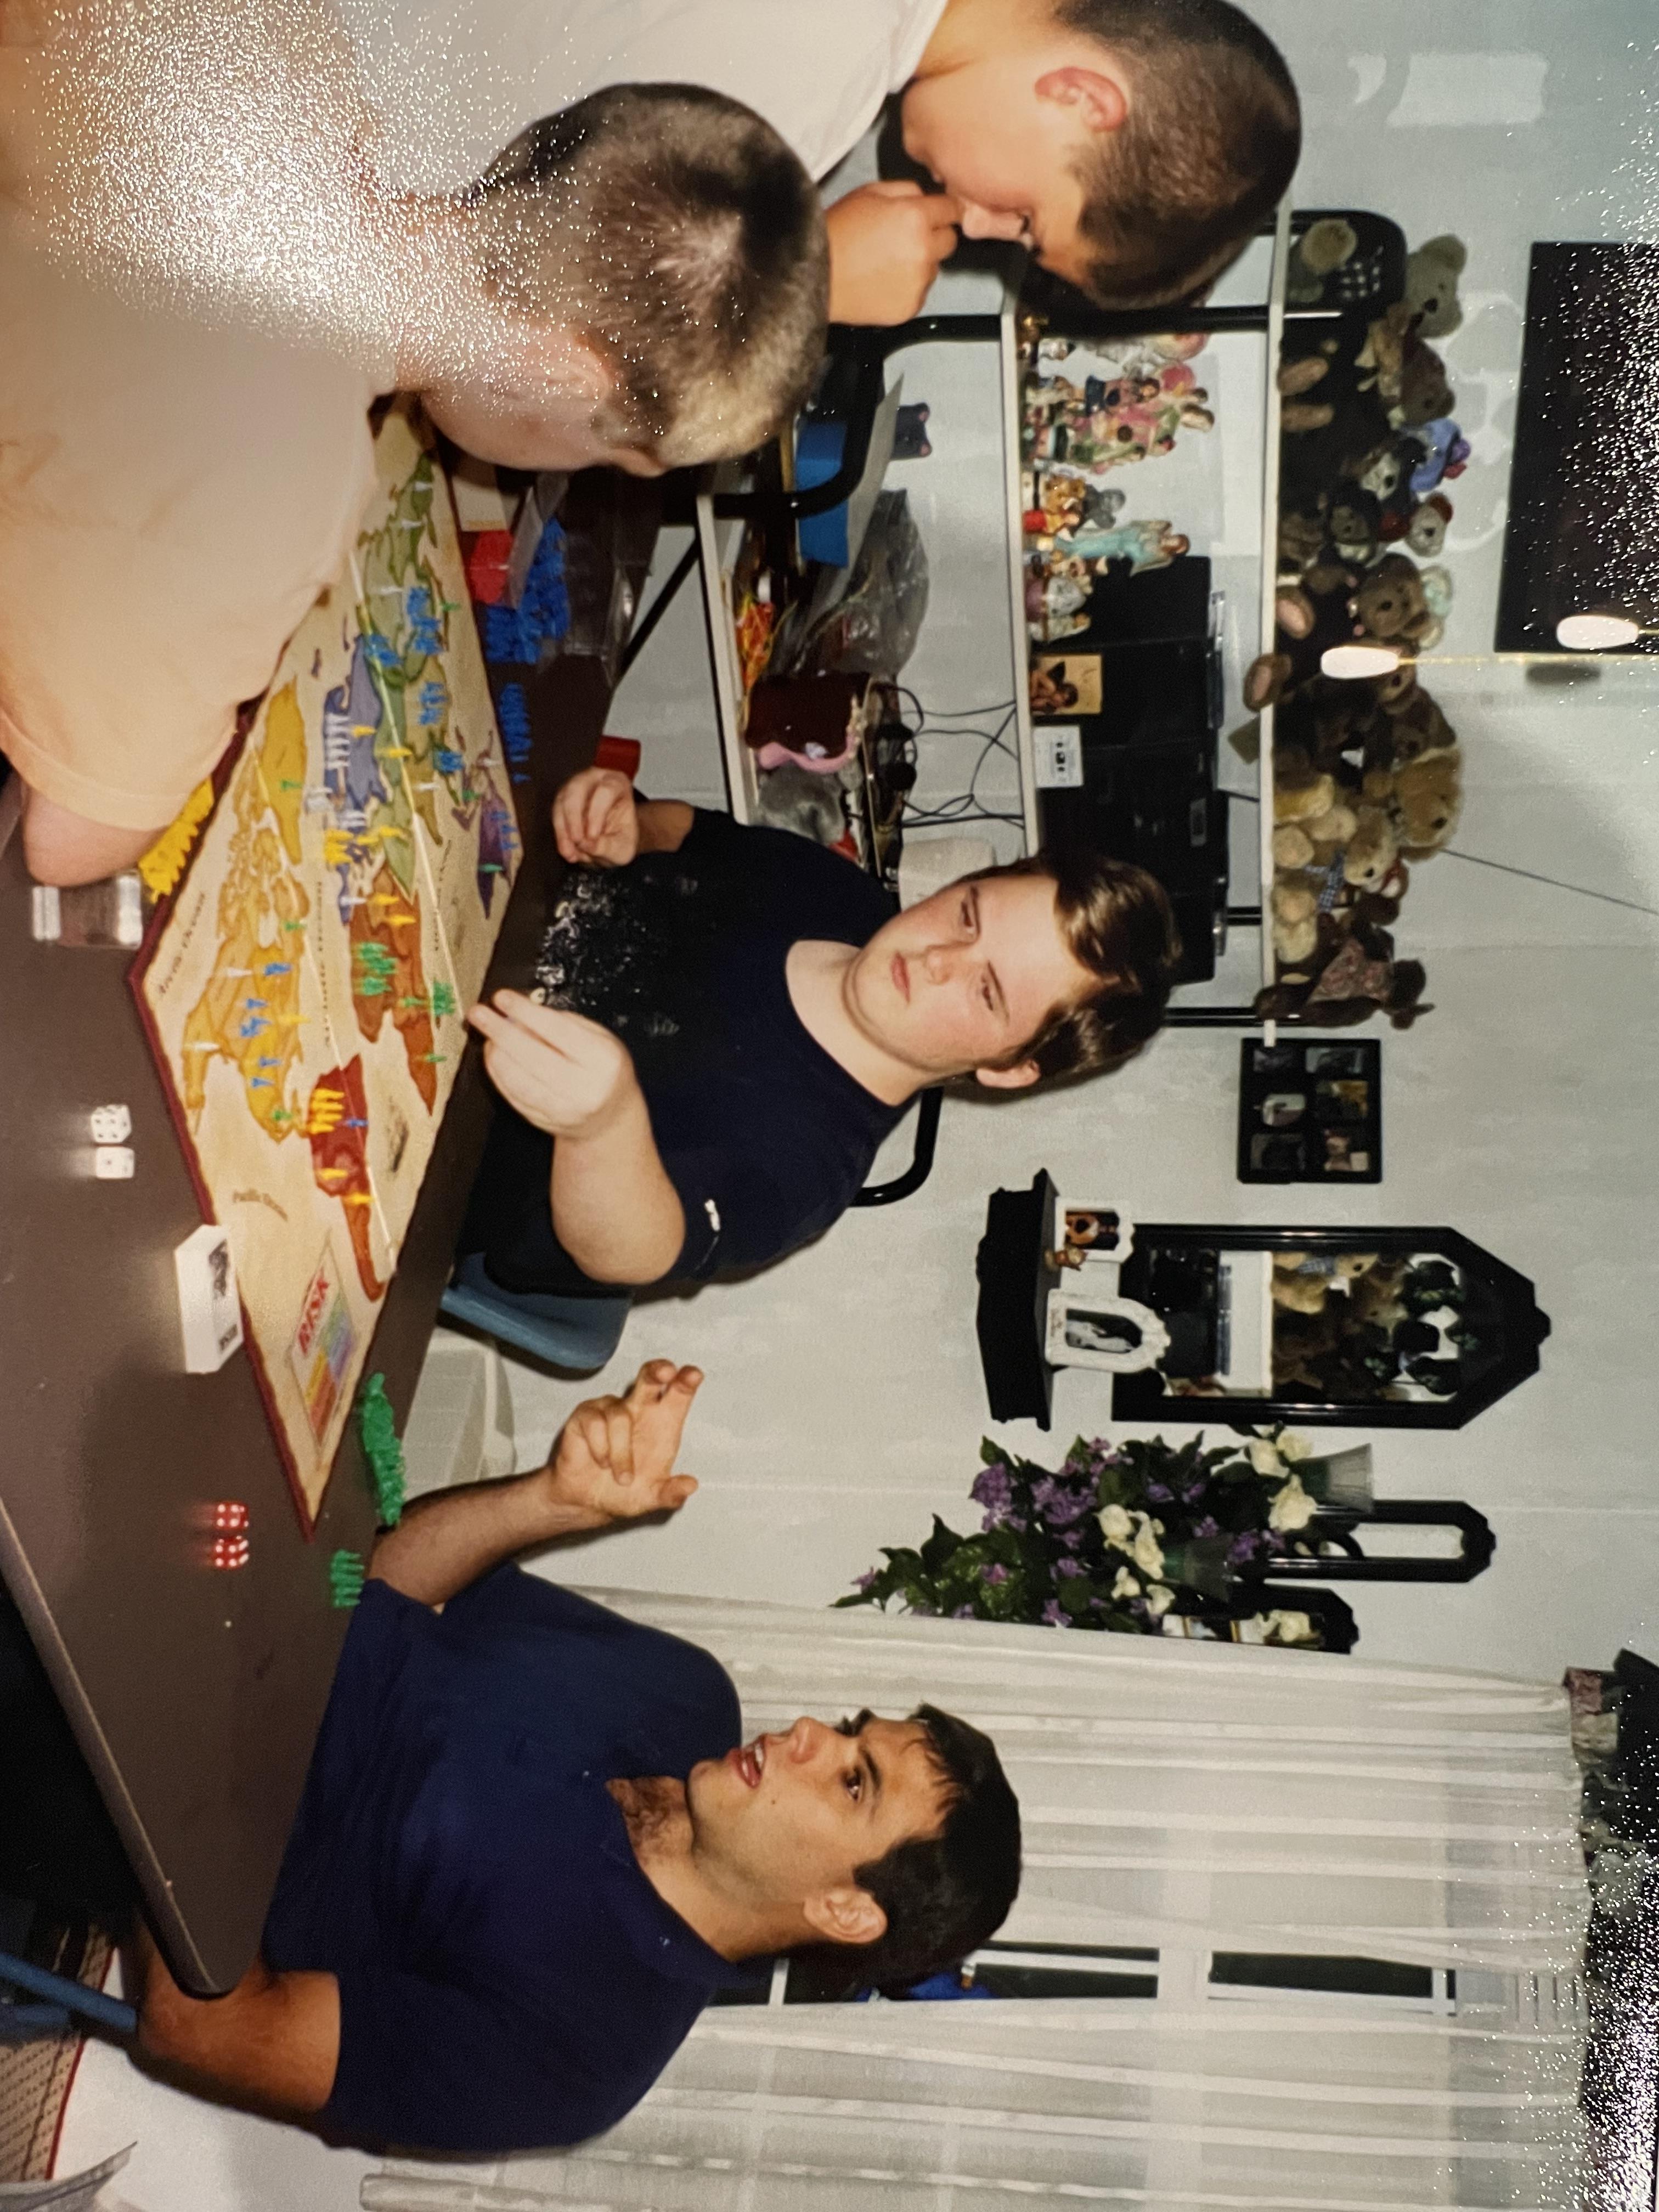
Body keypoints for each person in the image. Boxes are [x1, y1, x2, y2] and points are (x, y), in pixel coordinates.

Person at [130, 1359, 1023, 2152]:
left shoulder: (576, 2055)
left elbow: (208, 2031)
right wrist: (551, 1505)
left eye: (853, 1782)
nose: (811, 1735)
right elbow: (387, 1580)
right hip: (237, 1585)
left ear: (844, 1911)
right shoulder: (689, 1691)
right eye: (851, 1730)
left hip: (142, 1792)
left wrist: (183, 1751)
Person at [1, 82, 827, 885]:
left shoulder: (300, 72)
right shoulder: (274, 482)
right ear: (565, 377)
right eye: (605, 455)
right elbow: (67, 844)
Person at [6, 0, 1297, 334]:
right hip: (156, 104)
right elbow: (480, 304)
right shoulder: (794, 98)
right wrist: (789, 280)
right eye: (1028, 218)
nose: (981, 222)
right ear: (1082, 97)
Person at [459, 765, 1181, 1296]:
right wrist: (629, 826)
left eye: (987, 990)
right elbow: (688, 832)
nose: (939, 958)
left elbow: (632, 1251)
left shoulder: (807, 1168)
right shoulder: (842, 894)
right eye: (968, 914)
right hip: (473, 928)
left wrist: (604, 1126)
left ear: (1009, 1066)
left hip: (444, 1147)